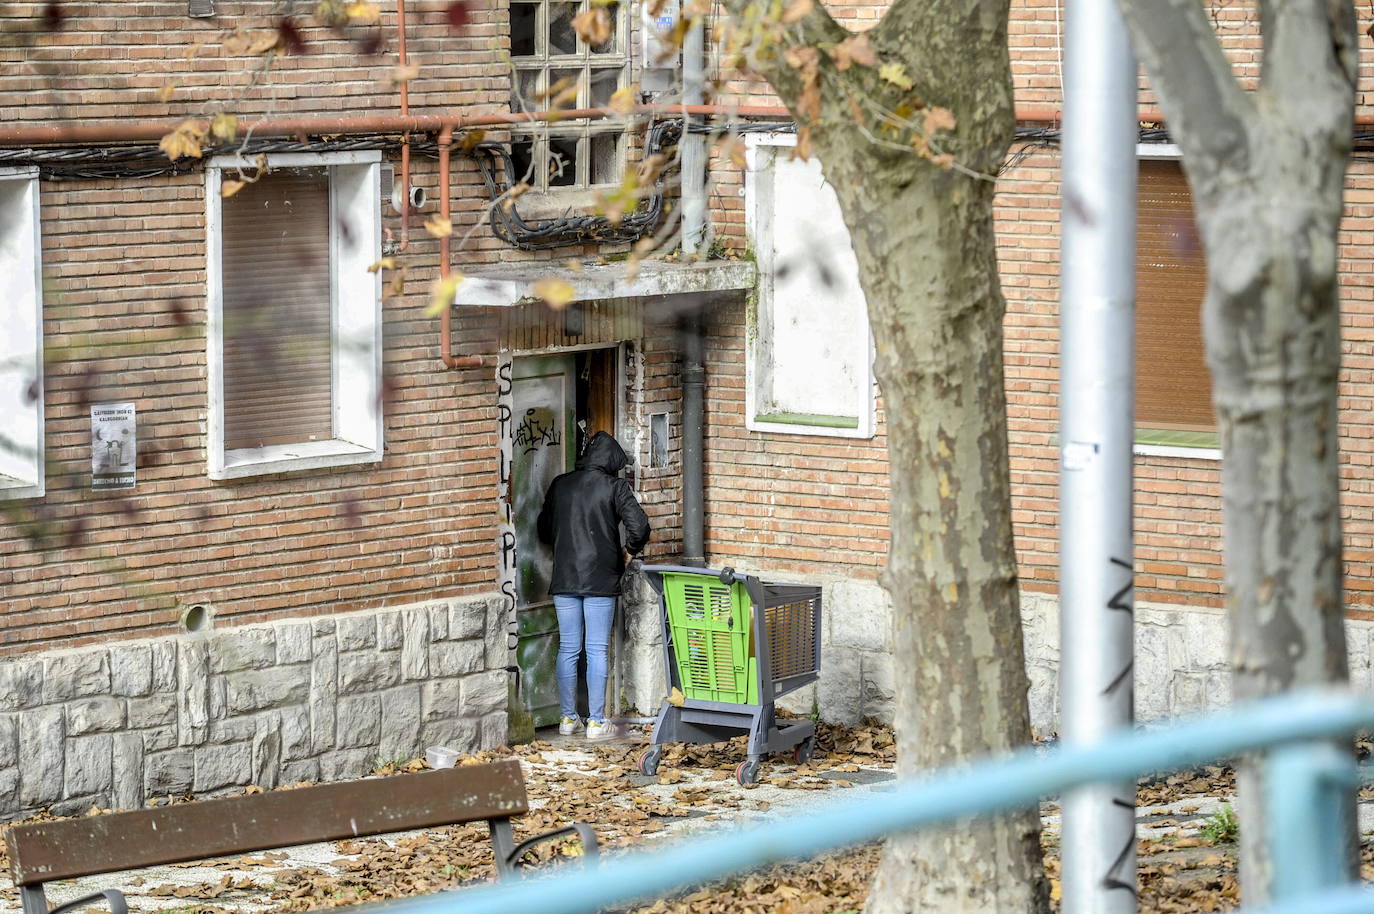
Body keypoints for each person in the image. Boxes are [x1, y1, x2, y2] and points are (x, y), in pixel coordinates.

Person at [537, 431, 650, 740]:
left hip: (565, 577)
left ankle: (566, 719)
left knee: (569, 648)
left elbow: (543, 528)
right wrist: (629, 551)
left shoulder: (561, 484)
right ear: (612, 463)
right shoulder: (615, 487)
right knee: (597, 649)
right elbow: (639, 526)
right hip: (601, 577)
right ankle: (597, 722)